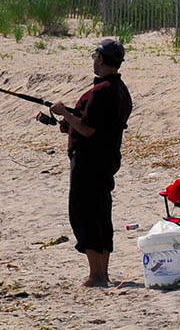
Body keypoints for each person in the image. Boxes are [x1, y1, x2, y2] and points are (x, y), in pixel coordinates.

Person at [48, 39, 133, 287]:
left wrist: (64, 112)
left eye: (95, 56)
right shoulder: (120, 90)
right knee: (101, 213)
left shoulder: (101, 91)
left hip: (89, 162)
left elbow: (87, 129)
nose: (93, 61)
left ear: (101, 59)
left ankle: (96, 276)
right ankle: (102, 274)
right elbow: (97, 126)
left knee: (85, 214)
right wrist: (68, 125)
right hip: (106, 159)